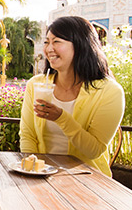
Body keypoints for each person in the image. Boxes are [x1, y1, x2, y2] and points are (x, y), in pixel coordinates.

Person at [20, 16, 125, 176]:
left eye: (57, 42)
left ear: (81, 45)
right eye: (47, 42)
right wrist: (32, 169)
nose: (49, 49)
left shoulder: (109, 91)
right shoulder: (36, 85)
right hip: (42, 175)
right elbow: (28, 135)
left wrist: (61, 117)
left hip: (88, 179)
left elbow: (94, 150)